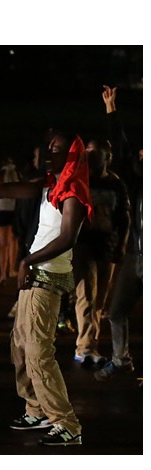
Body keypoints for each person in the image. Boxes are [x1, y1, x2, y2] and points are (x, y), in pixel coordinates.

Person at [0, 129, 90, 446]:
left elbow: (68, 238)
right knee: (19, 347)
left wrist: (26, 261)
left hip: (46, 276)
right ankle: (37, 409)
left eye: (57, 147)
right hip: (34, 274)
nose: (49, 150)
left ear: (72, 155)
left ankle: (67, 423)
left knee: (38, 353)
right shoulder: (48, 186)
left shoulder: (73, 190)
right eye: (47, 145)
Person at [94, 85, 142, 381]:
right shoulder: (138, 183)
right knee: (116, 311)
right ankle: (121, 359)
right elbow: (122, 152)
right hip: (137, 257)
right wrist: (111, 109)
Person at [72, 136, 130, 365]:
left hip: (107, 246)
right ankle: (84, 347)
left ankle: (90, 345)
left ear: (108, 156)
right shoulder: (80, 180)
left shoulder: (116, 184)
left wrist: (122, 245)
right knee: (85, 296)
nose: (92, 157)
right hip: (83, 245)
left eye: (97, 153)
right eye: (89, 152)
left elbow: (123, 218)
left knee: (99, 301)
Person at [0, 158, 20, 285]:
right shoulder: (16, 173)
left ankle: (3, 274)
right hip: (13, 209)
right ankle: (11, 270)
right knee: (13, 241)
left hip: (2, 210)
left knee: (3, 243)